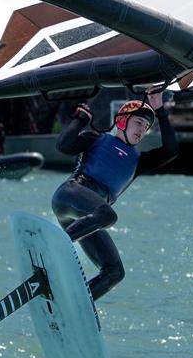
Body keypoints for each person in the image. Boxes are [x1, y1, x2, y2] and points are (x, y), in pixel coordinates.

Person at [52, 90, 177, 301]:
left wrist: (161, 111)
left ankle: (76, 302)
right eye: (138, 123)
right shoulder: (96, 139)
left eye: (145, 127)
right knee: (107, 215)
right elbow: (63, 146)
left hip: (88, 217)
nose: (141, 130)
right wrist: (80, 119)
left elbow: (171, 151)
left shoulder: (139, 162)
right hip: (70, 194)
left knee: (115, 272)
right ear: (121, 122)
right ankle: (54, 246)